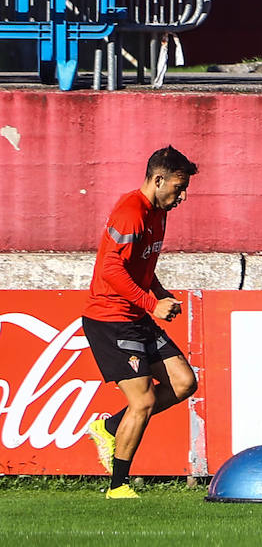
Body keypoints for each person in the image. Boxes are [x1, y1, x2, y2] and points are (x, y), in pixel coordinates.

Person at [82, 146, 199, 499]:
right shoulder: (130, 212)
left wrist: (161, 295)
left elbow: (142, 266)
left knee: (183, 382)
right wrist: (152, 303)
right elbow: (111, 270)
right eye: (178, 187)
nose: (181, 196)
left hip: (135, 314)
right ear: (158, 179)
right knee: (144, 401)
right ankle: (117, 486)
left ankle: (110, 427)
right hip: (110, 319)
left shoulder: (158, 213)